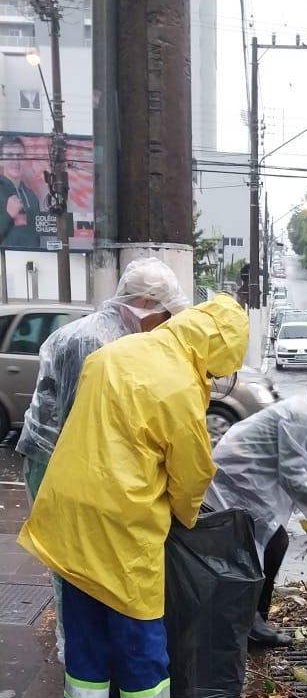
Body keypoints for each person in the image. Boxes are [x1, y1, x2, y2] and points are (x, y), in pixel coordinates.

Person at [17, 294, 250, 698]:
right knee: (139, 623)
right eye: (216, 370)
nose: (212, 379)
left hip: (68, 503)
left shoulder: (115, 352)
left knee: (84, 615)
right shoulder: (180, 386)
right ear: (212, 352)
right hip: (121, 517)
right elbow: (191, 473)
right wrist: (187, 518)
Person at [16, 256, 189, 662]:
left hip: (72, 464)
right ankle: (74, 655)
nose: (164, 324)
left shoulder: (119, 336)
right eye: (163, 314)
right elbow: (84, 423)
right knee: (72, 565)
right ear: (144, 302)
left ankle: (85, 656)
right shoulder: (93, 342)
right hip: (54, 462)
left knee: (86, 562)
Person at [204, 364, 307, 647]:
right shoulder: (303, 415)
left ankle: (256, 619)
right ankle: (250, 622)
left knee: (272, 544)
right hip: (234, 485)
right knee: (257, 550)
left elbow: (297, 471)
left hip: (249, 485)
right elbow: (292, 474)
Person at [0, 135, 41, 248]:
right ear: (1, 161)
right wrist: (8, 215)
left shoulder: (32, 197)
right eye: (9, 155)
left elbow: (37, 238)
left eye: (20, 155)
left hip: (35, 262)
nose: (16, 160)